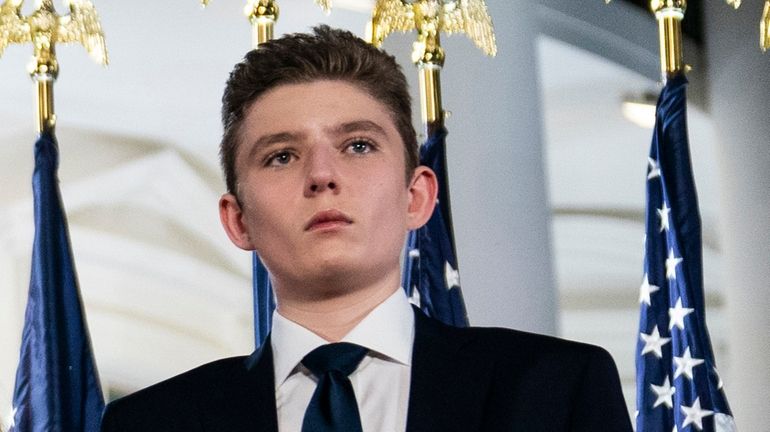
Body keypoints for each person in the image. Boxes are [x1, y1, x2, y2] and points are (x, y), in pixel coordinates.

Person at [100, 26, 633, 431]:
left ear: (417, 195)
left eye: (358, 145)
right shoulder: (150, 422)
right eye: (282, 156)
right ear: (238, 220)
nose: (322, 176)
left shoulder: (555, 389)